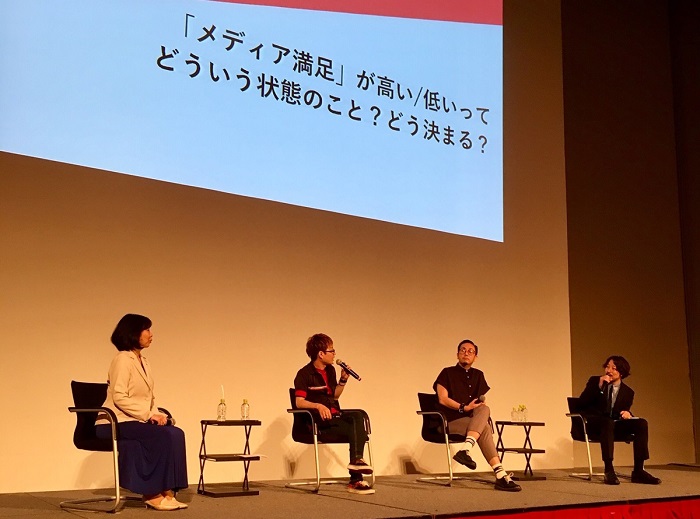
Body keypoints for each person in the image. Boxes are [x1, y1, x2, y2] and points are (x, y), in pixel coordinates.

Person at [96, 314, 189, 510]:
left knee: (175, 433)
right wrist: (148, 415)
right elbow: (119, 397)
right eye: (146, 329)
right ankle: (151, 493)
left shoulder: (143, 361)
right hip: (114, 422)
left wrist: (157, 415)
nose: (151, 334)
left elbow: (148, 398)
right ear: (133, 333)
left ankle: (167, 490)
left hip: (133, 420)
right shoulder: (122, 359)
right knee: (162, 436)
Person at [433, 339, 521, 492]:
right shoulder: (447, 372)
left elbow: (479, 403)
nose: (466, 353)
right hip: (449, 420)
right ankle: (500, 475)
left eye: (470, 351)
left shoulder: (478, 375)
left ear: (475, 357)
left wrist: (477, 406)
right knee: (484, 427)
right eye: (463, 350)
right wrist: (464, 407)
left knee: (484, 409)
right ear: (457, 354)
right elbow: (442, 399)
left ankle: (466, 450)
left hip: (470, 421)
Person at [293, 333, 374, 495]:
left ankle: (356, 463)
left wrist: (343, 381)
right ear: (321, 354)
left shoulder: (330, 370)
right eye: (331, 350)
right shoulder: (304, 374)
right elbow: (299, 402)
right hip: (319, 422)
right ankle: (356, 479)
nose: (334, 353)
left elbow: (334, 397)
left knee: (358, 416)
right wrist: (317, 406)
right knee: (357, 431)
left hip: (334, 417)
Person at [577, 355, 661, 485]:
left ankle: (639, 471)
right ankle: (609, 469)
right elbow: (581, 403)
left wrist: (628, 413)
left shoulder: (628, 392)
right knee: (607, 422)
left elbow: (623, 410)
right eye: (607, 367)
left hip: (614, 426)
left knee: (641, 423)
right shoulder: (595, 382)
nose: (609, 371)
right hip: (595, 425)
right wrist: (599, 386)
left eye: (614, 368)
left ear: (621, 372)